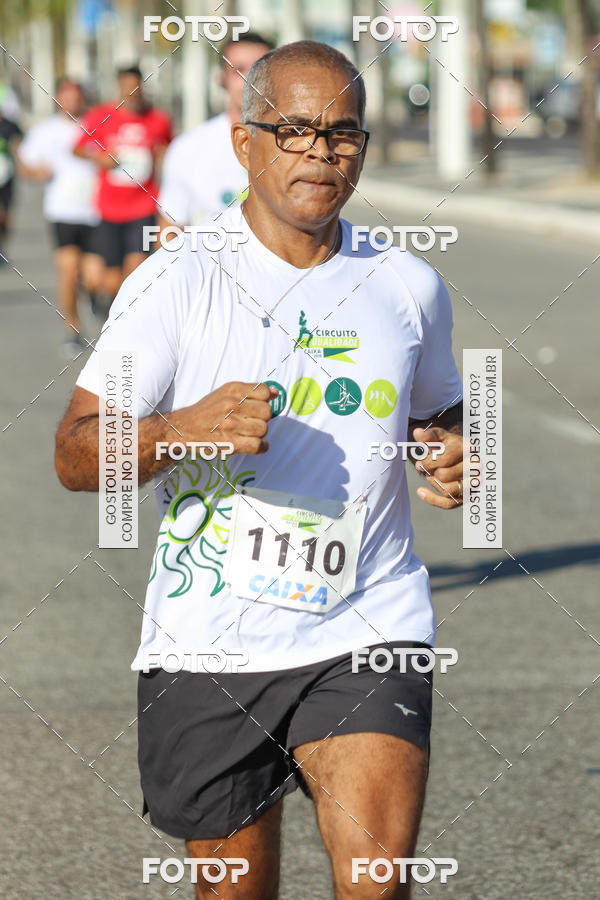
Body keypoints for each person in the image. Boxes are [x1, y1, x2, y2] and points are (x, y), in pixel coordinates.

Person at [55, 41, 465, 900]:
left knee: (377, 881)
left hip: (369, 621)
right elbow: (76, 451)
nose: (320, 151)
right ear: (246, 143)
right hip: (210, 636)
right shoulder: (175, 282)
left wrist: (463, 451)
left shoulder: (409, 285)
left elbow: (443, 413)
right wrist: (182, 429)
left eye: (342, 134)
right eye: (295, 130)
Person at [157, 31, 273, 237]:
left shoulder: (300, 144)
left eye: (261, 69)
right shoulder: (188, 148)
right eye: (239, 70)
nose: (251, 80)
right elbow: (170, 234)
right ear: (222, 79)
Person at [19, 79, 104, 358]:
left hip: (96, 211)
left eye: (75, 96)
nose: (71, 102)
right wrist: (36, 173)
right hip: (63, 212)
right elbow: (25, 163)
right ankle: (73, 329)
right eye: (65, 96)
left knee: (95, 277)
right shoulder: (45, 131)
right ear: (57, 99)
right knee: (68, 272)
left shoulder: (96, 123)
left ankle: (91, 296)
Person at [73, 64, 171, 301]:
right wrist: (100, 158)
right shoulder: (101, 115)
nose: (131, 92)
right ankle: (97, 296)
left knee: (136, 273)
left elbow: (169, 150)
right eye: (126, 87)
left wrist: (163, 157)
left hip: (143, 207)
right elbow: (77, 149)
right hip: (109, 209)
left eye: (135, 87)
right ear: (119, 88)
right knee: (111, 282)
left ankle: (123, 327)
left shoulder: (158, 120)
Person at [0, 110, 22, 265]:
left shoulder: (10, 126)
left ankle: (2, 245)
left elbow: (20, 145)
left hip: (6, 176)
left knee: (5, 216)